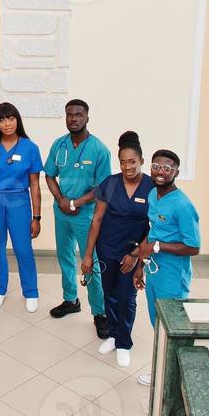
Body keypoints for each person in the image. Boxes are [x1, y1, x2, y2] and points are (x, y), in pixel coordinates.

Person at [81, 131, 153, 367]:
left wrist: (137, 256)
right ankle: (113, 334)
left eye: (132, 162)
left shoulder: (151, 188)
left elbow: (156, 228)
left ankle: (124, 343)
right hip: (107, 248)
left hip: (133, 252)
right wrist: (88, 254)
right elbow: (97, 220)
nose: (127, 167)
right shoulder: (110, 184)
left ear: (141, 161)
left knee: (127, 297)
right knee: (110, 292)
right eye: (122, 162)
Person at [44, 98, 113, 339]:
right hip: (61, 212)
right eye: (69, 114)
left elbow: (103, 188)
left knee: (90, 262)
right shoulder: (59, 145)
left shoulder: (99, 150)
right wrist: (61, 199)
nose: (73, 118)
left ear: (87, 117)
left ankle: (100, 312)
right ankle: (70, 299)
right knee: (64, 257)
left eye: (78, 115)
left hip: (86, 216)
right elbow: (50, 176)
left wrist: (76, 202)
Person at [133, 149, 201, 385]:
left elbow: (193, 247)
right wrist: (140, 265)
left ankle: (174, 377)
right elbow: (152, 233)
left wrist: (159, 247)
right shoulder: (153, 195)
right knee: (158, 325)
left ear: (176, 172)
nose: (161, 172)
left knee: (172, 327)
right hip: (154, 271)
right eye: (156, 166)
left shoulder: (182, 205)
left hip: (172, 276)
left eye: (167, 168)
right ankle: (164, 372)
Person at [0, 101, 43, 312]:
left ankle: (30, 292)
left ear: (17, 120)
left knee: (23, 248)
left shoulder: (30, 148)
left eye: (11, 118)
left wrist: (37, 217)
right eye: (2, 119)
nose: (7, 124)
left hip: (18, 202)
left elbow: (34, 184)